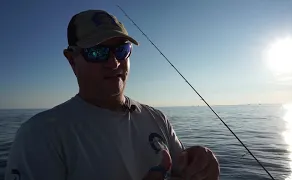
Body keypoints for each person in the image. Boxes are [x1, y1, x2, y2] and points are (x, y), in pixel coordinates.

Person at [5, 9, 220, 180]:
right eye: (97, 52)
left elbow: (180, 168)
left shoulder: (158, 119)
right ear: (72, 60)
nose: (114, 62)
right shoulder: (39, 135)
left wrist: (199, 163)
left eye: (121, 50)